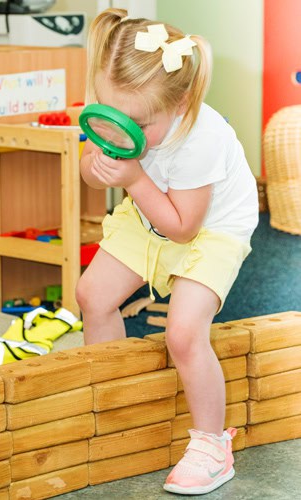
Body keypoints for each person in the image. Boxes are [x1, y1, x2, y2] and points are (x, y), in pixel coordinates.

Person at [76, 8, 259, 496]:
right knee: (93, 295)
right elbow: (91, 171)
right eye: (110, 113)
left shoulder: (203, 137)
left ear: (180, 106)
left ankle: (212, 447)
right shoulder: (132, 113)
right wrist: (99, 165)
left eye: (137, 124)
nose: (122, 130)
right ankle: (117, 400)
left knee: (182, 332)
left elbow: (181, 229)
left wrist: (133, 177)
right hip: (152, 210)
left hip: (207, 228)